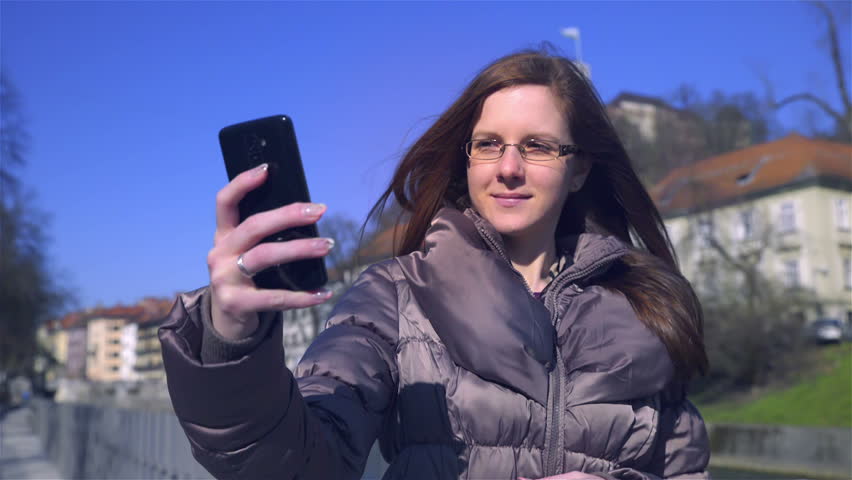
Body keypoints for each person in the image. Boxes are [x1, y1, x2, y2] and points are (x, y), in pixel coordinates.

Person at [159, 49, 710, 480]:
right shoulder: (396, 296)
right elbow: (299, 465)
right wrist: (231, 340)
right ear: (466, 159)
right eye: (488, 144)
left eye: (538, 146)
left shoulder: (645, 308)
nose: (509, 168)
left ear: (581, 169)